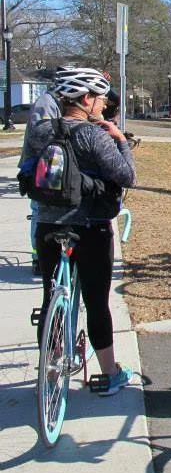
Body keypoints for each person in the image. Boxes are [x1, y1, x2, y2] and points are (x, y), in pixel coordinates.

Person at [28, 67, 137, 396]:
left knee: (50, 297)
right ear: (86, 99)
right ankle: (110, 374)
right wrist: (120, 140)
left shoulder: (40, 131)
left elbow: (28, 169)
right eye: (100, 98)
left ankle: (49, 371)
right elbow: (127, 176)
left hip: (48, 225)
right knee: (97, 302)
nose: (103, 104)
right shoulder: (94, 135)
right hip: (91, 227)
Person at [18, 74, 63, 275]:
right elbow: (40, 139)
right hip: (40, 166)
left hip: (54, 165)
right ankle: (38, 257)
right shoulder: (46, 103)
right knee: (39, 211)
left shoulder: (59, 102)